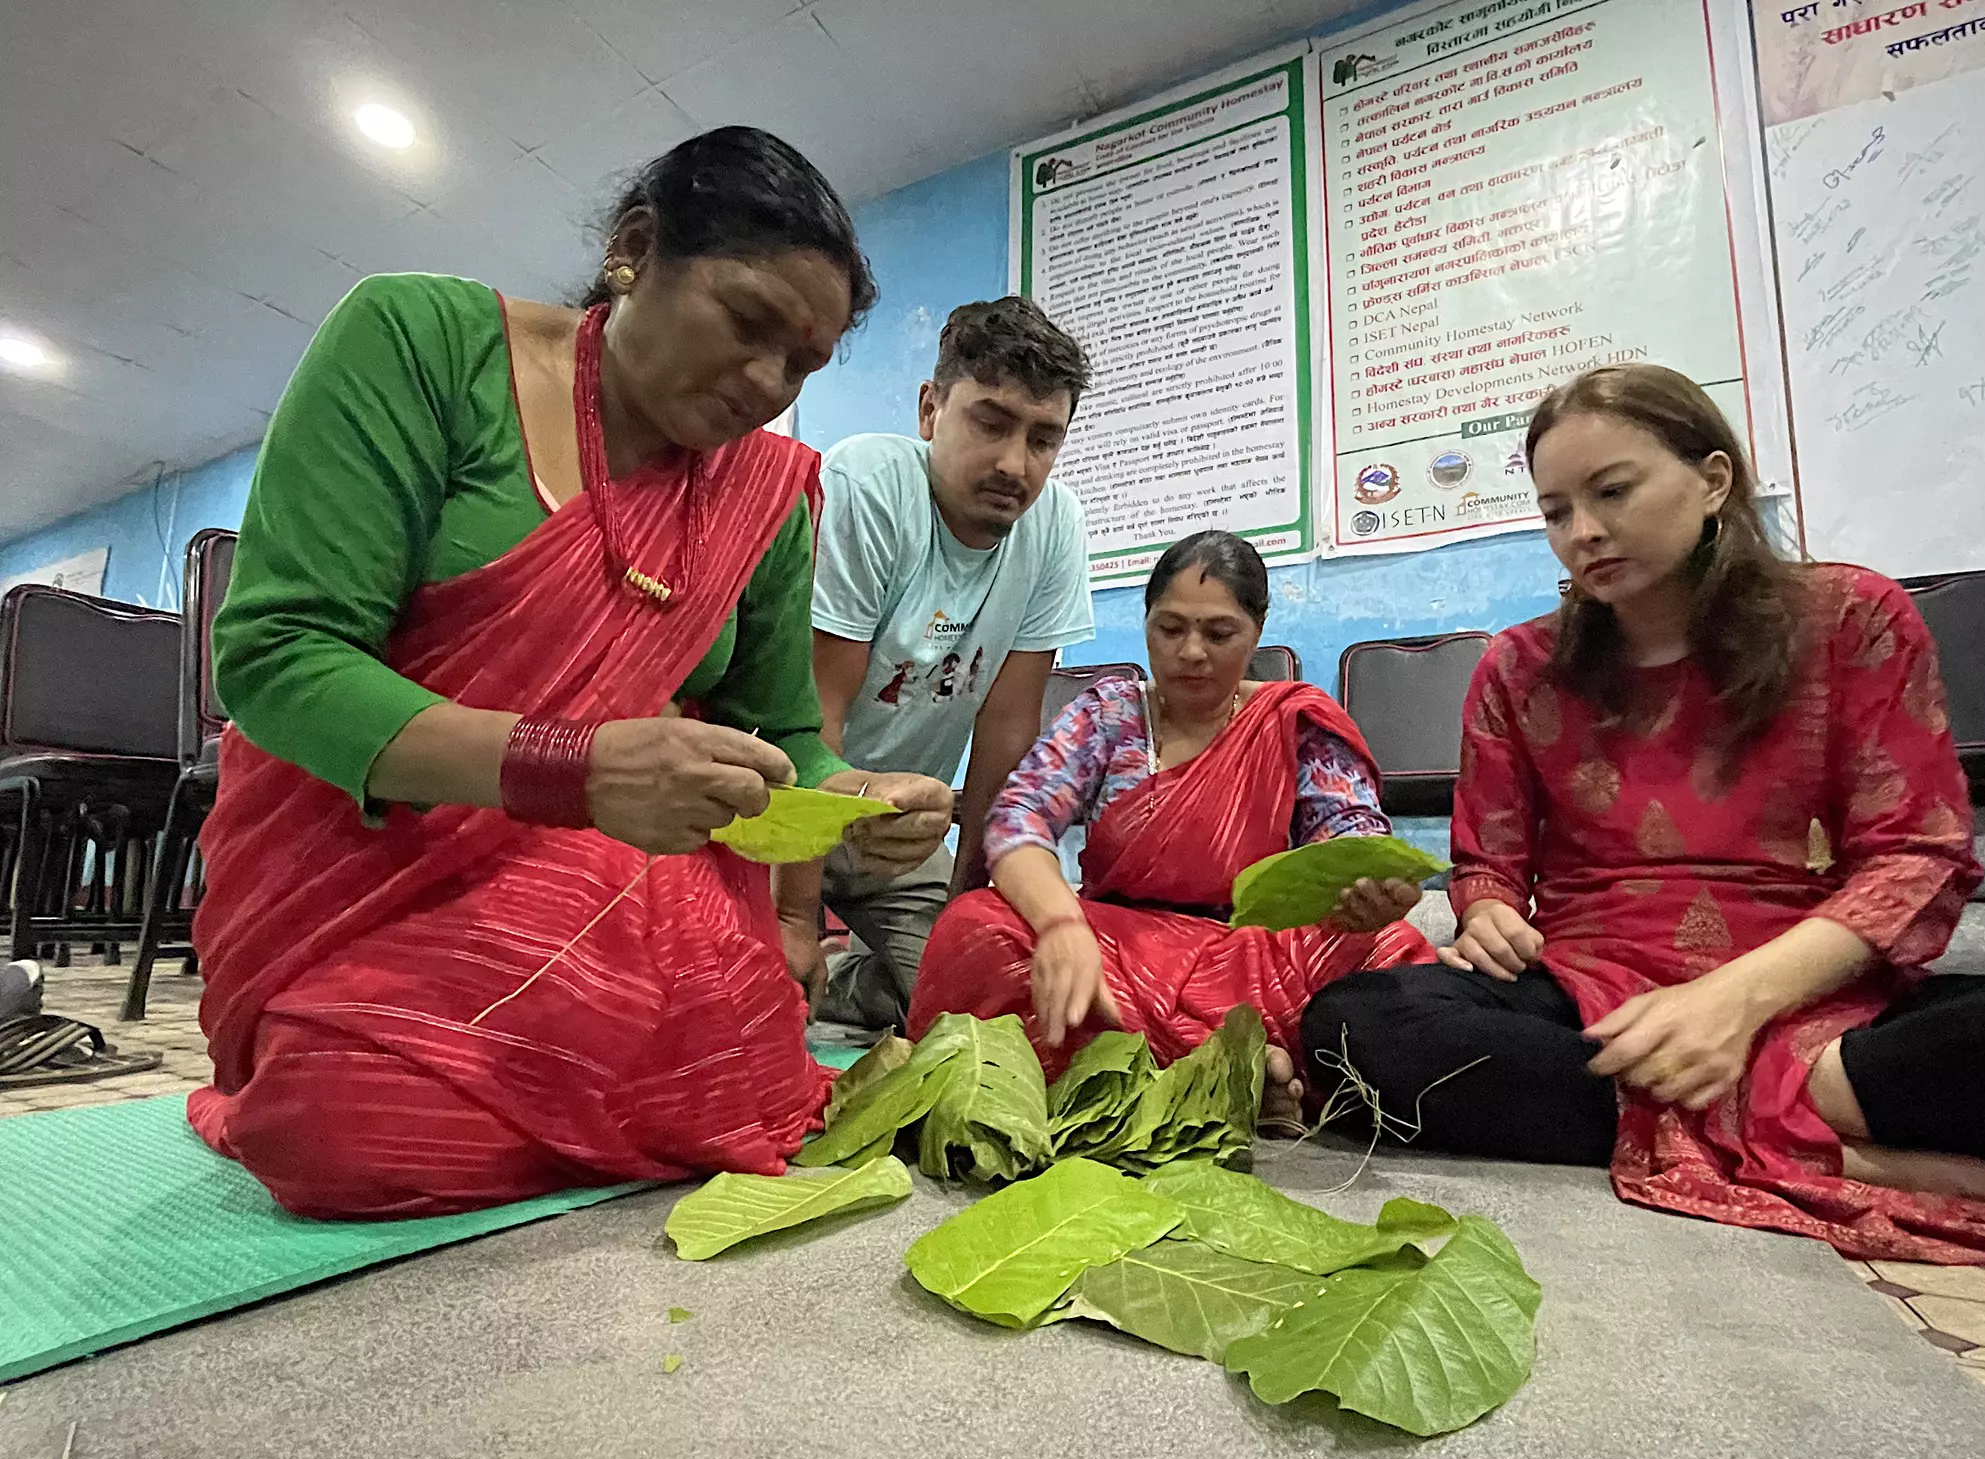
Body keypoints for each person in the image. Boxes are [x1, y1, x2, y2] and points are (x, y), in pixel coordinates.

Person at [190, 128, 955, 1219]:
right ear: (633, 248)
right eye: (747, 325)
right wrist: (572, 767)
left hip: (603, 880)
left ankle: (598, 1089)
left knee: (749, 1038)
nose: (765, 384)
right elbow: (278, 655)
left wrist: (853, 800)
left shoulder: (774, 494)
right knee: (342, 1123)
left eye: (802, 365)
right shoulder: (422, 344)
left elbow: (778, 739)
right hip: (363, 868)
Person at [1301, 364, 1985, 1263]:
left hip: (1809, 989)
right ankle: (1859, 1142)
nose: (1585, 531)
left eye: (1612, 491)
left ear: (1713, 480)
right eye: (1555, 511)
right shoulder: (1520, 667)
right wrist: (1490, 911)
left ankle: (1799, 1119)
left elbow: (1915, 859)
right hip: (1593, 998)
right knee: (1356, 1027)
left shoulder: (1850, 620)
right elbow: (1490, 864)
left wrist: (1733, 1005)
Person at [908, 531, 1437, 1110]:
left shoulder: (1291, 721)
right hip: (1116, 945)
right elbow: (1019, 817)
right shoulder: (1109, 714)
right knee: (975, 926)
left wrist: (1370, 887)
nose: (1190, 652)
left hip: (1249, 953)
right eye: (1170, 628)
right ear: (1146, 623)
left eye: (1218, 633)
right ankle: (1228, 1068)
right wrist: (1060, 927)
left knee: (1390, 948)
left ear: (1257, 630)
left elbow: (1350, 829)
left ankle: (1171, 1072)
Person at [776, 296, 1097, 1044]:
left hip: (898, 838)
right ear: (931, 409)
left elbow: (1008, 727)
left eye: (1044, 439)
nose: (1016, 464)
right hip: (786, 812)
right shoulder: (867, 483)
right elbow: (813, 714)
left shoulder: (1055, 528)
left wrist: (968, 908)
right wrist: (790, 918)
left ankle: (852, 982)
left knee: (985, 1000)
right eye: (990, 423)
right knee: (728, 994)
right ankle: (803, 947)